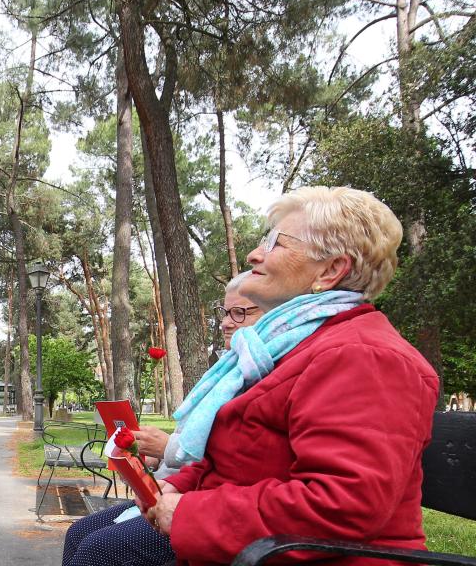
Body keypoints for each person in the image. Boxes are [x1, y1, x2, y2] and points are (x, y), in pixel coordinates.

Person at [142, 186, 438, 565]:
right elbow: (247, 459)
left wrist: (190, 514)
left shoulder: (363, 356)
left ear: (331, 270)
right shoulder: (289, 348)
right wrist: (175, 485)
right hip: (250, 552)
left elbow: (342, 504)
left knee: (103, 550)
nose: (254, 254)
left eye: (276, 243)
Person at [61, 272, 261, 566]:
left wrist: (168, 449)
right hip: (177, 489)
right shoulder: (227, 372)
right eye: (225, 312)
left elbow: (234, 460)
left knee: (98, 548)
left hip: (208, 504)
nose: (226, 322)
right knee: (79, 532)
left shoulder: (255, 377)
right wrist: (153, 461)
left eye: (239, 313)